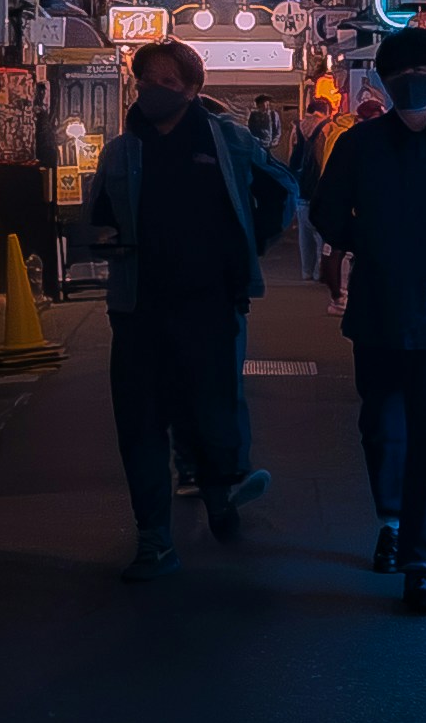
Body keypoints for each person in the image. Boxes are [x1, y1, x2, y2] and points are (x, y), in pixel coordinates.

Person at [305, 27, 426, 613]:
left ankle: (421, 560)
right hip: (377, 310)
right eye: (404, 76)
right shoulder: (361, 145)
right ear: (386, 84)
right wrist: (366, 241)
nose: (416, 84)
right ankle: (390, 520)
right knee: (382, 426)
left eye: (424, 73)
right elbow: (325, 208)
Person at [74, 41, 293, 575]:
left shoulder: (228, 141)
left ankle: (219, 496)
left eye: (169, 83)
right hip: (137, 308)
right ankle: (154, 539)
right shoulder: (122, 152)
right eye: (148, 80)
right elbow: (96, 216)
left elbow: (282, 190)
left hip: (211, 305)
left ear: (193, 89)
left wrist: (248, 247)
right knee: (140, 422)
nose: (156, 90)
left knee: (211, 413)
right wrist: (102, 238)